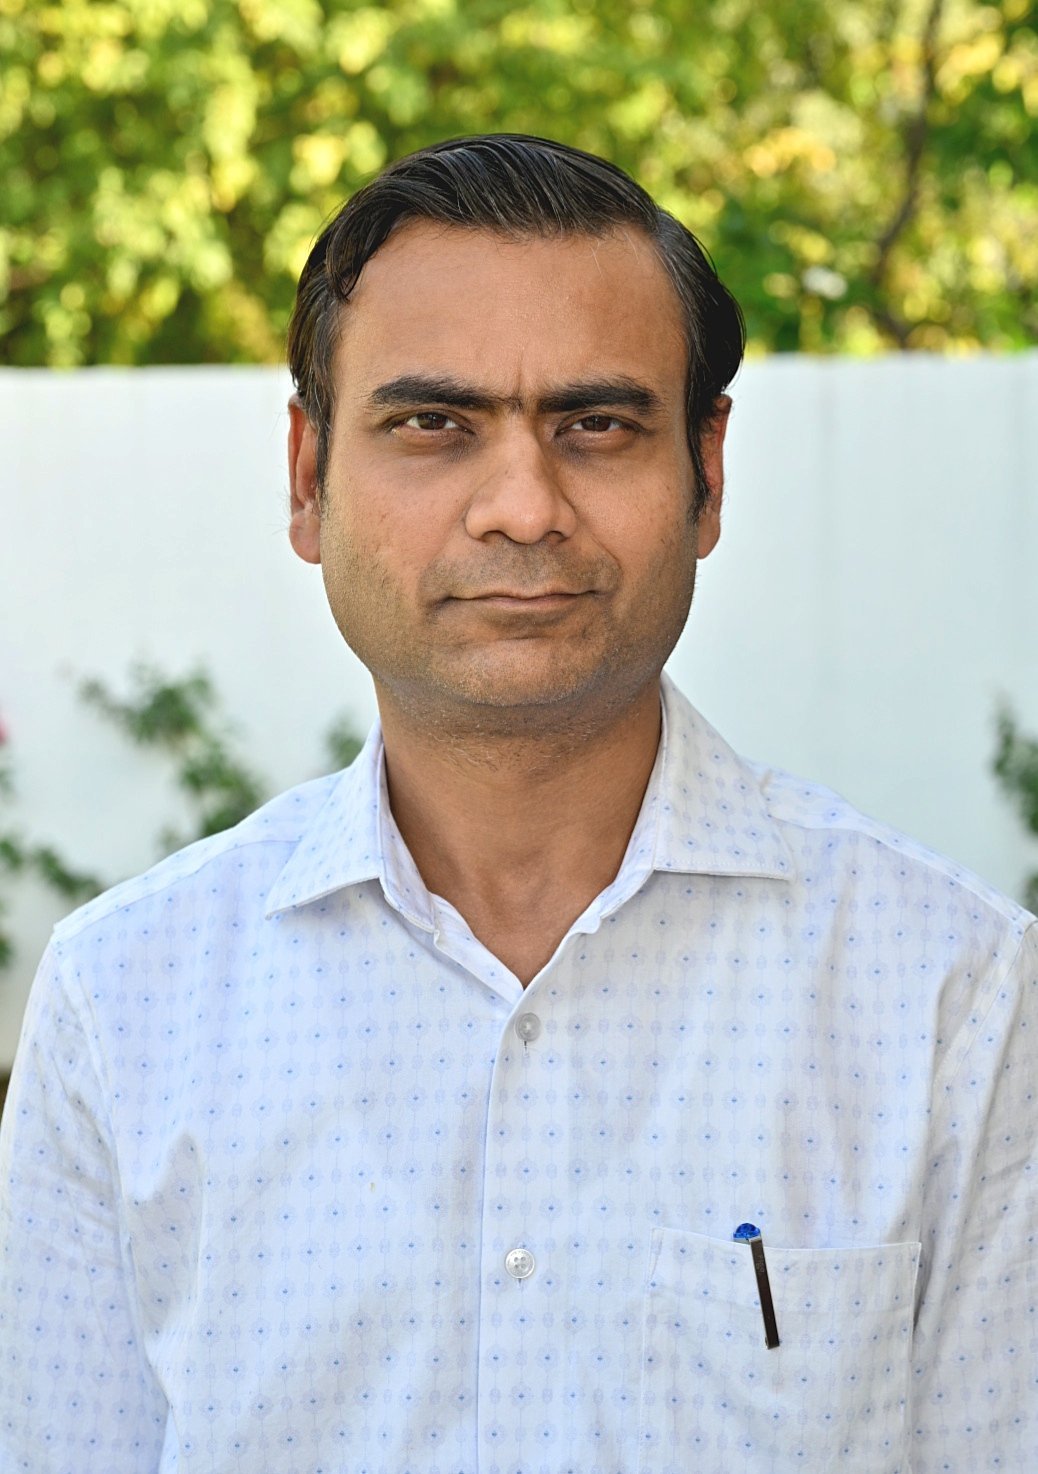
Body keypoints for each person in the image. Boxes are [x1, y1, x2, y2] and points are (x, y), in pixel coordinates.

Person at [0, 134, 1034, 1474]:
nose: (522, 508)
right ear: (307, 477)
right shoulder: (124, 1000)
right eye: (433, 424)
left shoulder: (951, 994)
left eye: (596, 425)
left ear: (707, 474)